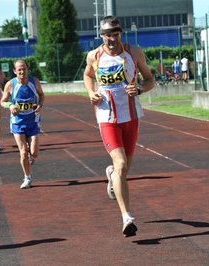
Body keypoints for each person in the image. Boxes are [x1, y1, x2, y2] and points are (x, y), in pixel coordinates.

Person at [83, 15, 154, 237]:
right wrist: (91, 92)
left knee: (124, 169)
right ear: (101, 35)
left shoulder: (134, 53)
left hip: (131, 116)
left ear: (120, 34)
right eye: (107, 35)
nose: (111, 38)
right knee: (122, 163)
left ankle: (111, 173)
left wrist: (140, 89)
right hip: (106, 117)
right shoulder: (94, 55)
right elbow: (87, 75)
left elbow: (150, 79)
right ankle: (127, 218)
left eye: (115, 34)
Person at [1, 59, 45, 189]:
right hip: (17, 122)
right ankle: (27, 178)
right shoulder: (10, 84)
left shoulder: (34, 82)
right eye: (19, 69)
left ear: (28, 69)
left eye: (24, 69)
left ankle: (30, 155)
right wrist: (10, 105)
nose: (22, 71)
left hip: (32, 121)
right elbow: (3, 101)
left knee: (34, 153)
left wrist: (39, 105)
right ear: (15, 71)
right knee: (23, 152)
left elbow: (42, 95)